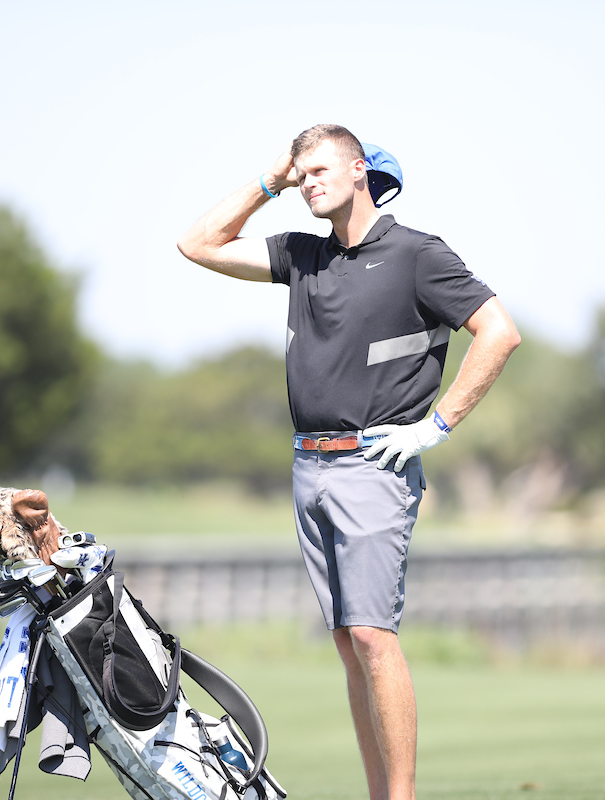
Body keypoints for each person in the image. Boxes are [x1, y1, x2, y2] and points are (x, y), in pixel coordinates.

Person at [177, 124, 520, 800]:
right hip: (309, 468)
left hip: (373, 465)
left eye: (320, 169)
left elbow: (499, 332)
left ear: (360, 169)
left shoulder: (417, 254)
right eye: (301, 175)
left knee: (371, 636)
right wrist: (268, 180)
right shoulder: (303, 255)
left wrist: (437, 426)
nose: (310, 182)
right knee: (347, 643)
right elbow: (197, 244)